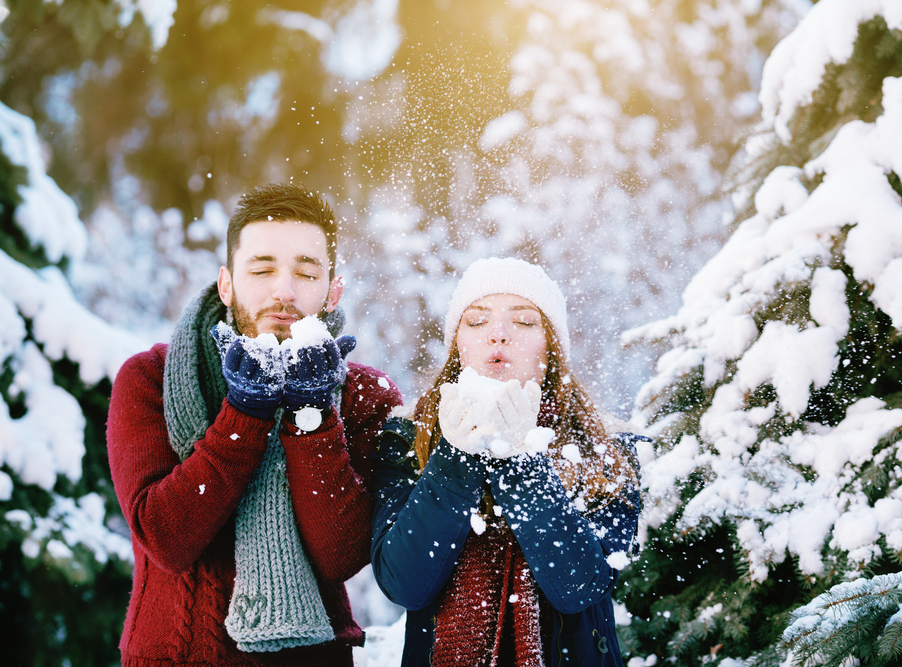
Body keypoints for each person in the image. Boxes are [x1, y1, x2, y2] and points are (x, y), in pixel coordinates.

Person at [107, 182, 402, 667]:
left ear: (333, 290)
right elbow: (166, 539)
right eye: (262, 269)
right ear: (227, 283)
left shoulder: (362, 394)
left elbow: (341, 555)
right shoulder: (149, 380)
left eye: (305, 273)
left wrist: (312, 416)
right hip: (174, 656)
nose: (283, 292)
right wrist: (246, 413)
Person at [371, 257, 644, 667]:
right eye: (477, 321)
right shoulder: (407, 439)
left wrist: (520, 460)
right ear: (457, 344)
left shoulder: (606, 448)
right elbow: (405, 583)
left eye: (524, 321)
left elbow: (578, 587)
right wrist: (456, 454)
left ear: (551, 346)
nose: (498, 335)